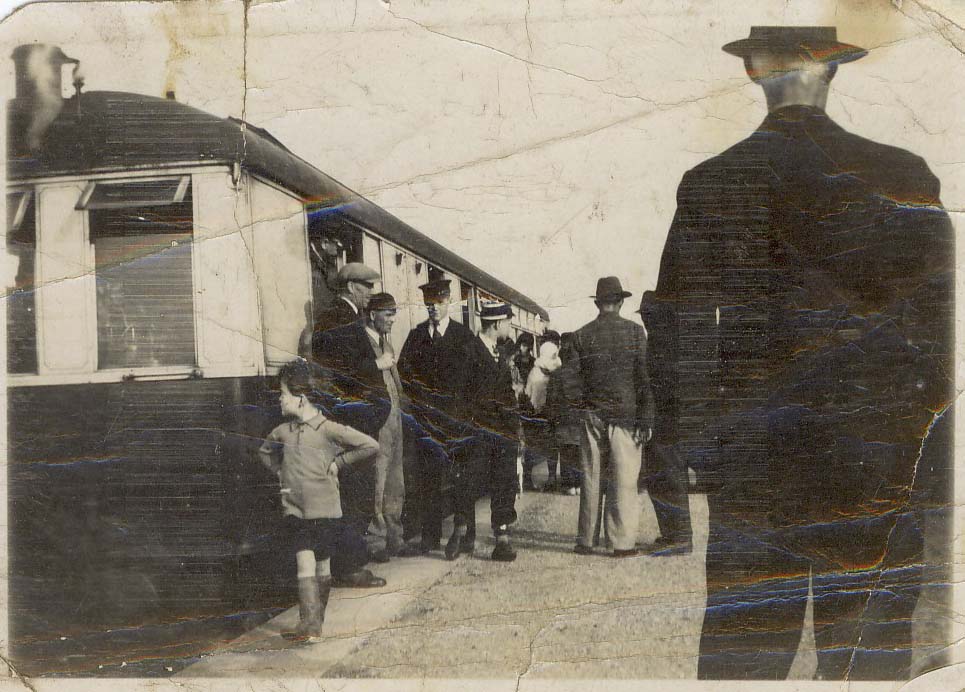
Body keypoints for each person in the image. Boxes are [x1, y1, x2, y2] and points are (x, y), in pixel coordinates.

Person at [654, 27, 953, 680]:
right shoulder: (901, 173)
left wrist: (696, 447)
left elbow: (678, 325)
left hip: (756, 463)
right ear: (834, 71)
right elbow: (936, 331)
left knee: (744, 652)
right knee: (867, 655)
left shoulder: (711, 180)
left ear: (754, 72)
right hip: (876, 459)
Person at [258, 359, 381, 642]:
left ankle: (315, 624)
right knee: (304, 564)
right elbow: (265, 453)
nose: (279, 399)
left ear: (300, 399)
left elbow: (370, 445)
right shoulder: (281, 432)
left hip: (326, 511)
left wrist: (338, 463)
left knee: (323, 565)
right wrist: (281, 473)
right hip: (295, 511)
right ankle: (310, 625)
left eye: (283, 394)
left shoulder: (328, 429)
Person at [563, 277, 654, 558]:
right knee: (624, 480)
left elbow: (570, 380)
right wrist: (646, 417)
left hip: (592, 415)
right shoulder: (636, 333)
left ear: (598, 303)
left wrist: (583, 405)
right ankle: (622, 543)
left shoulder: (580, 335)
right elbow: (644, 379)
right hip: (626, 416)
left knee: (591, 476)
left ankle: (586, 541)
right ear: (621, 302)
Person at [314, 293, 409, 563]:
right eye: (387, 314)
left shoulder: (386, 345)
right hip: (376, 421)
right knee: (377, 479)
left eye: (394, 314)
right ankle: (375, 541)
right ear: (372, 315)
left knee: (395, 479)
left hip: (395, 420)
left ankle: (395, 536)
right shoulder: (362, 342)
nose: (392, 319)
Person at [397, 279, 478, 555]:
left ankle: (466, 534)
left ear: (448, 303)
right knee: (428, 479)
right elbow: (404, 373)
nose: (432, 309)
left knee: (460, 478)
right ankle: (429, 537)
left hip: (456, 421)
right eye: (428, 304)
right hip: (427, 421)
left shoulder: (464, 337)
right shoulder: (416, 335)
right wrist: (419, 404)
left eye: (438, 303)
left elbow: (474, 381)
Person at [446, 301, 520, 562]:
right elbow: (457, 398)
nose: (509, 327)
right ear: (498, 324)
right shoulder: (467, 352)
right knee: (468, 483)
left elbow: (507, 395)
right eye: (509, 323)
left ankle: (502, 538)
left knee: (505, 482)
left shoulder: (499, 353)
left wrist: (514, 430)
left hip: (502, 434)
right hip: (476, 433)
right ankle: (461, 531)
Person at [636, 291, 693, 554]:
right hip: (668, 418)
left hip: (666, 419)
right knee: (665, 476)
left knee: (668, 476)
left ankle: (679, 536)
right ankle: (672, 534)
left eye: (648, 315)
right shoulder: (671, 338)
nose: (646, 320)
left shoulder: (661, 342)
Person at [520, 331, 562, 491]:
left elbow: (528, 392)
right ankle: (550, 478)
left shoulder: (535, 371)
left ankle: (529, 479)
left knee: (534, 447)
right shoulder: (556, 370)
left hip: (535, 413)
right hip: (548, 414)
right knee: (551, 447)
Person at [310, 262, 380, 346]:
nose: (372, 292)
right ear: (351, 287)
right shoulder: (342, 317)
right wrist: (381, 359)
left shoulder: (338, 313)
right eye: (368, 286)